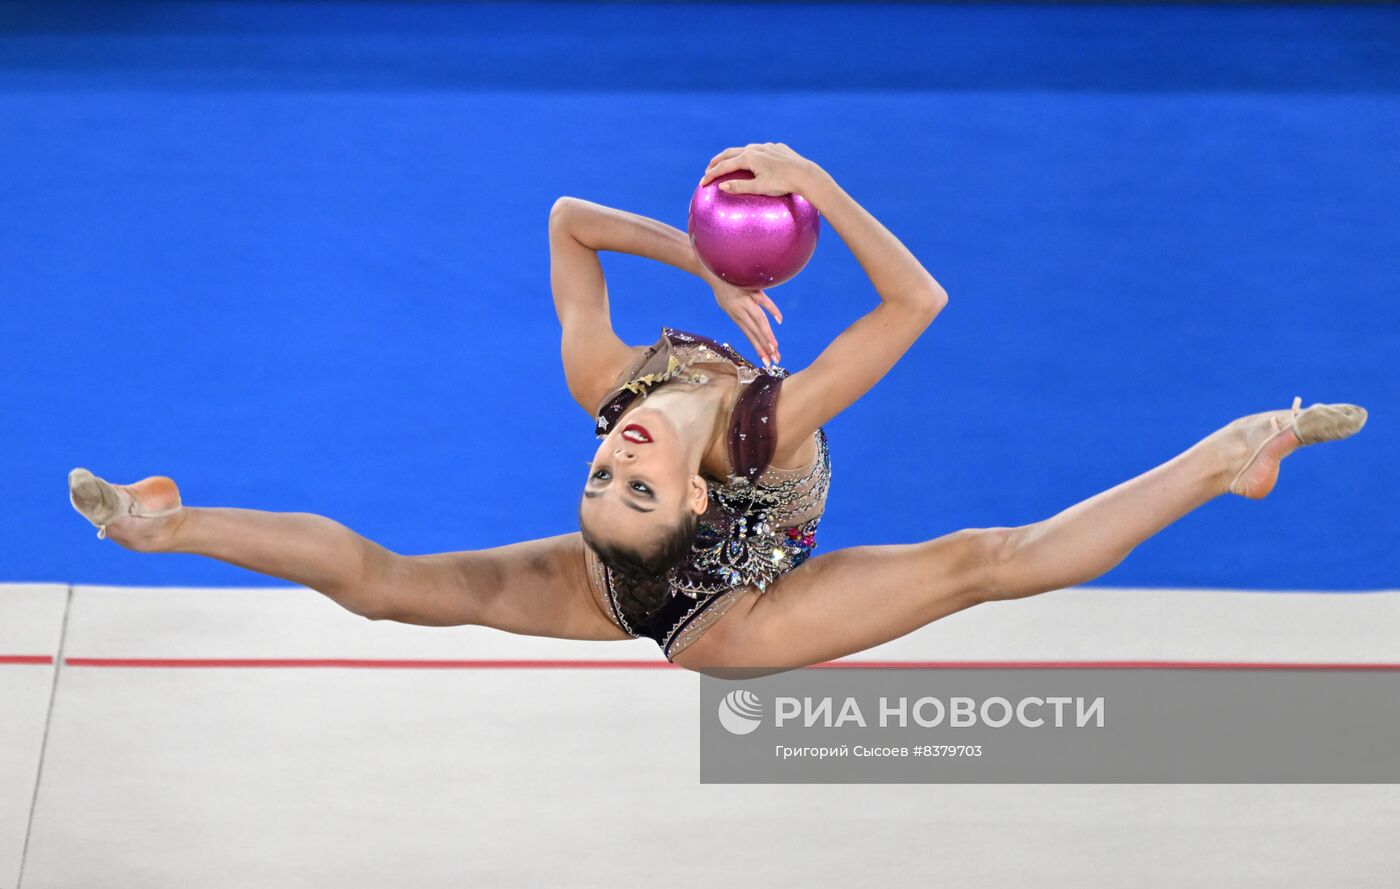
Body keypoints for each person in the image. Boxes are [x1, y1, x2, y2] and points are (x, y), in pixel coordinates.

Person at [68, 143, 1368, 674]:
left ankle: (163, 524)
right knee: (985, 564)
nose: (619, 459)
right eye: (635, 483)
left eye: (603, 480)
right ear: (688, 499)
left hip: (625, 583)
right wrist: (817, 182)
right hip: (718, 609)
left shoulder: (608, 387)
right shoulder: (765, 430)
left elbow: (569, 224)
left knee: (390, 581)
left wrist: (697, 258)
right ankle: (1226, 458)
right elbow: (917, 303)